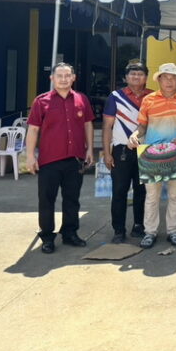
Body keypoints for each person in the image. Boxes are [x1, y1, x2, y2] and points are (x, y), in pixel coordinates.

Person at [26, 62, 95, 254]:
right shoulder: (41, 101)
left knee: (72, 199)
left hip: (75, 159)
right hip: (49, 160)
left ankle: (70, 233)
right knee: (46, 199)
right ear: (52, 78)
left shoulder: (81, 99)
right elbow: (33, 129)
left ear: (73, 78)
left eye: (67, 76)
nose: (63, 79)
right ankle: (47, 237)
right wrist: (30, 156)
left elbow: (88, 124)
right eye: (59, 76)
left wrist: (90, 149)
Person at [128, 63, 176, 249]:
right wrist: (134, 135)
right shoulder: (148, 100)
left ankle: (173, 231)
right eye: (166, 77)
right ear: (159, 80)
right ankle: (150, 232)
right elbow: (142, 126)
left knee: (175, 194)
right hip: (151, 154)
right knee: (152, 196)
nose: (169, 81)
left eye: (173, 78)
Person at [102, 61, 152, 244]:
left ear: (146, 77)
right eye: (132, 74)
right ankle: (118, 230)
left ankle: (139, 225)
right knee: (119, 191)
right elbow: (107, 127)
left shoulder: (153, 96)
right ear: (125, 77)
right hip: (121, 150)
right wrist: (107, 153)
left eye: (140, 74)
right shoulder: (115, 97)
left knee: (142, 191)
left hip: (146, 150)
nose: (136, 77)